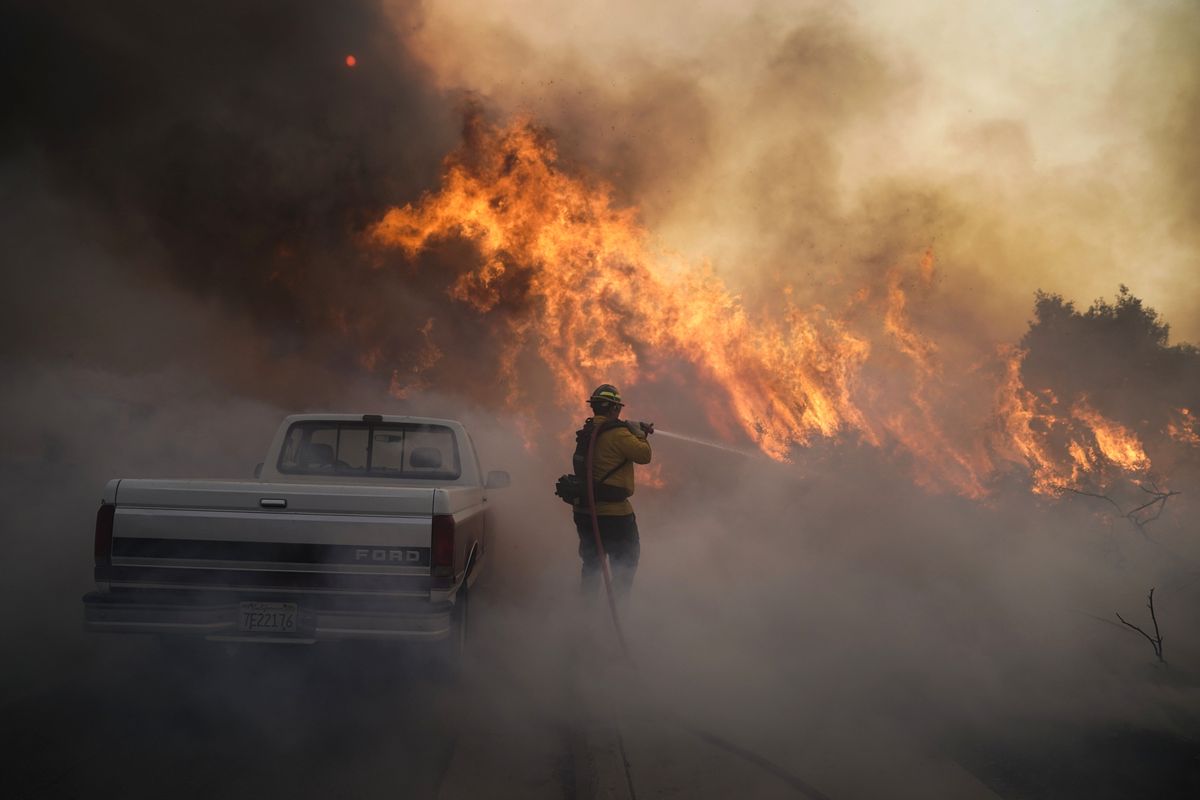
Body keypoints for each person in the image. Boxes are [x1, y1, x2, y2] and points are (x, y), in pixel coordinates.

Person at [573, 384, 653, 599]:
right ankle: (616, 613)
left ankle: (586, 617)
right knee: (626, 563)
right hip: (614, 516)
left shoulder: (587, 432)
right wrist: (640, 435)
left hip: (585, 512)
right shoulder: (618, 434)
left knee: (592, 564)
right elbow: (644, 455)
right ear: (614, 409)